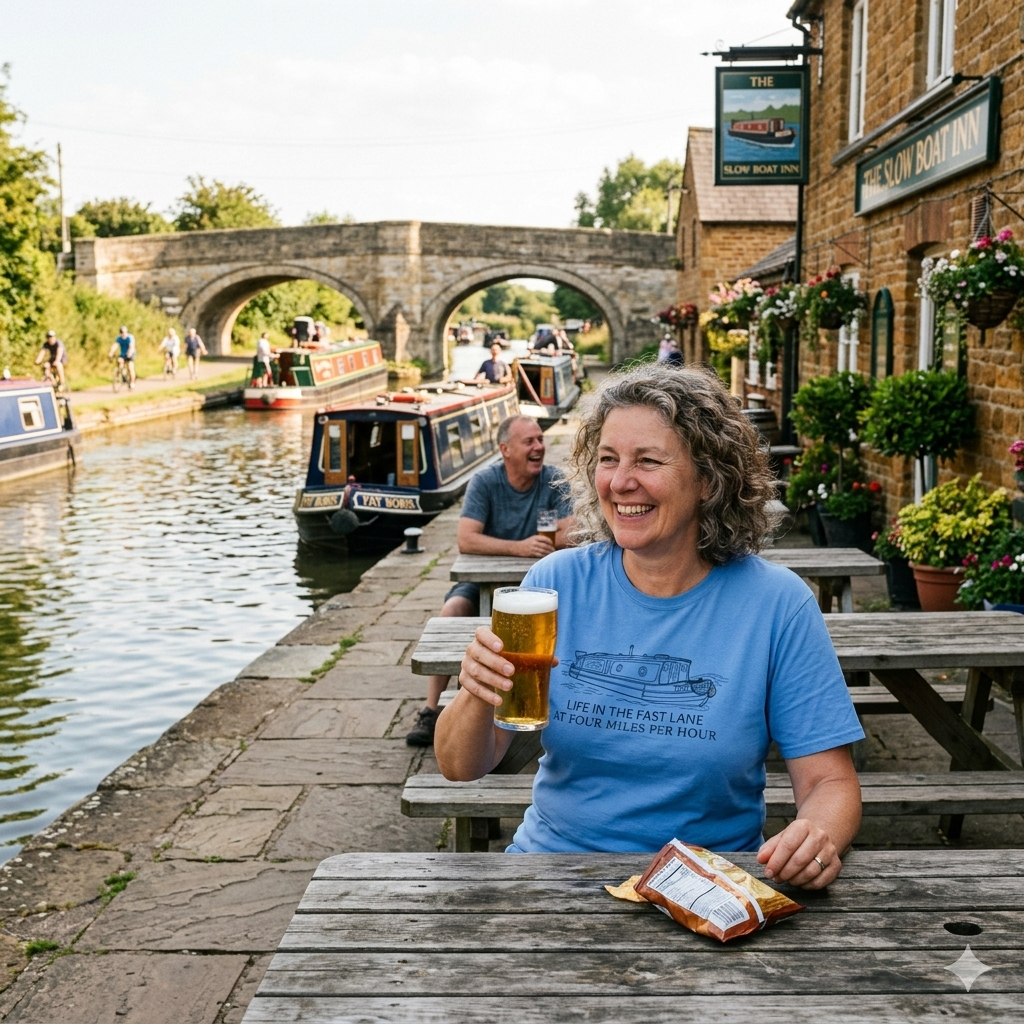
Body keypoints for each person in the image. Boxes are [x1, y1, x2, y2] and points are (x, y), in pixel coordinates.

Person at [436, 363, 864, 891]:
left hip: (704, 888)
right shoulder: (552, 584)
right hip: (552, 873)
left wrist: (816, 835)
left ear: (709, 479)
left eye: (648, 461)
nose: (620, 482)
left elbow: (830, 781)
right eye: (608, 459)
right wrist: (474, 692)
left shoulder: (777, 605)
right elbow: (459, 766)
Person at [406, 415, 574, 747]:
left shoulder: (554, 479)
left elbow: (571, 533)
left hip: (539, 585)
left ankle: (551, 705)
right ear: (505, 450)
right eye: (530, 442)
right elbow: (467, 539)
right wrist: (521, 547)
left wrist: (549, 543)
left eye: (540, 439)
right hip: (486, 582)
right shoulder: (485, 482)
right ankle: (431, 709)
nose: (539, 447)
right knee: (452, 611)